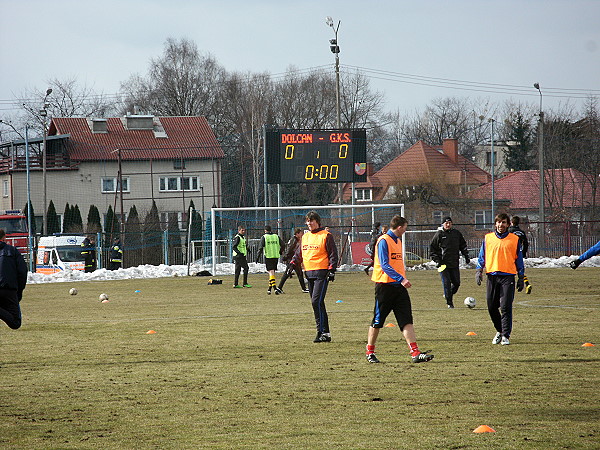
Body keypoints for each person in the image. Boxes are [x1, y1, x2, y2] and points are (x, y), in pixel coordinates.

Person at [365, 216, 434, 364]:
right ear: (400, 227)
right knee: (377, 321)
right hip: (385, 287)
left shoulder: (398, 241)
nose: (405, 231)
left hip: (399, 288)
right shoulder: (384, 241)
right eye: (405, 228)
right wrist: (401, 278)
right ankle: (370, 352)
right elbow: (385, 265)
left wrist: (401, 280)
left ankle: (415, 353)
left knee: (406, 320)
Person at [475, 213, 525, 346]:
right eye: (498, 222)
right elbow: (482, 256)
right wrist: (479, 271)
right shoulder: (488, 238)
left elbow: (519, 259)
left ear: (508, 224)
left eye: (503, 222)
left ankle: (505, 336)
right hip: (492, 276)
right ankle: (500, 330)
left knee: (505, 307)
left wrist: (521, 277)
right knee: (491, 306)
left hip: (508, 276)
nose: (501, 225)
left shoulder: (514, 239)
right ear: (495, 224)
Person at [291, 211, 338, 343]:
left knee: (315, 302)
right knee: (318, 303)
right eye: (307, 221)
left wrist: (332, 270)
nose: (309, 223)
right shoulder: (305, 237)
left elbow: (333, 254)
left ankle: (320, 331)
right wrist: (293, 262)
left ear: (317, 221)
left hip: (321, 274)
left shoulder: (326, 236)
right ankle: (326, 333)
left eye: (311, 221)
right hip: (309, 273)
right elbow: (299, 253)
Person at [429, 216, 470, 309]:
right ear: (443, 224)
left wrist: (466, 256)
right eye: (446, 223)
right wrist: (437, 260)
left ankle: (448, 294)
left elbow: (463, 245)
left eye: (450, 223)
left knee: (456, 283)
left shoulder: (456, 233)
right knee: (446, 282)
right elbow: (433, 249)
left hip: (454, 263)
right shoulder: (439, 234)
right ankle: (450, 303)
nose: (448, 225)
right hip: (442, 264)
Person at [0, 229, 27, 332]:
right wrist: (19, 290)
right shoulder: (12, 251)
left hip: (8, 289)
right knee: (15, 323)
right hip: (9, 289)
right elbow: (22, 272)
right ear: (4, 238)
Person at [277, 227, 308, 293]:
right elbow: (290, 248)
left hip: (294, 259)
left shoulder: (296, 239)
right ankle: (279, 288)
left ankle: (304, 288)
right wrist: (287, 256)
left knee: (298, 274)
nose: (302, 234)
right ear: (297, 233)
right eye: (300, 233)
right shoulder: (294, 240)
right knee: (288, 274)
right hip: (292, 259)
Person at [256, 225, 284, 295]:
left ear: (265, 230)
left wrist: (257, 257)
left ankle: (274, 288)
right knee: (272, 272)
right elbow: (283, 245)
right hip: (275, 256)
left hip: (268, 256)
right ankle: (269, 289)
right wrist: (280, 251)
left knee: (271, 272)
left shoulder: (264, 237)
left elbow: (260, 248)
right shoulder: (276, 236)